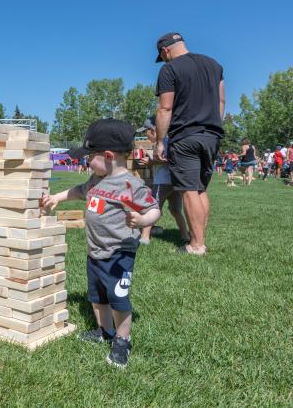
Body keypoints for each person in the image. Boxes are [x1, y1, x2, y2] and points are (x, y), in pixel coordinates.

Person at [41, 119, 160, 369]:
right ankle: (104, 330)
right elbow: (78, 191)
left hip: (118, 254)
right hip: (95, 252)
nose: (85, 162)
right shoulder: (96, 179)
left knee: (118, 299)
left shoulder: (131, 185)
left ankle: (122, 339)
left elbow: (154, 209)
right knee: (97, 298)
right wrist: (57, 198)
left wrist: (141, 219)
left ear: (108, 155)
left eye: (88, 156)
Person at [154, 32, 224, 255]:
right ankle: (199, 237)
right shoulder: (214, 65)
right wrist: (214, 126)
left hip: (185, 136)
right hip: (212, 135)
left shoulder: (169, 69)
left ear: (165, 50)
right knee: (201, 189)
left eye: (163, 56)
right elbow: (221, 101)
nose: (164, 60)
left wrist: (160, 142)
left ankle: (196, 245)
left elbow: (165, 108)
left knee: (188, 190)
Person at [135, 117, 189, 245]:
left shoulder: (163, 142)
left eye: (146, 132)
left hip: (163, 182)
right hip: (174, 181)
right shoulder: (169, 141)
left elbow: (166, 159)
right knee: (175, 210)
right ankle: (185, 235)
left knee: (152, 208)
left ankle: (144, 237)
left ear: (153, 130)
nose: (145, 135)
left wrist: (150, 161)